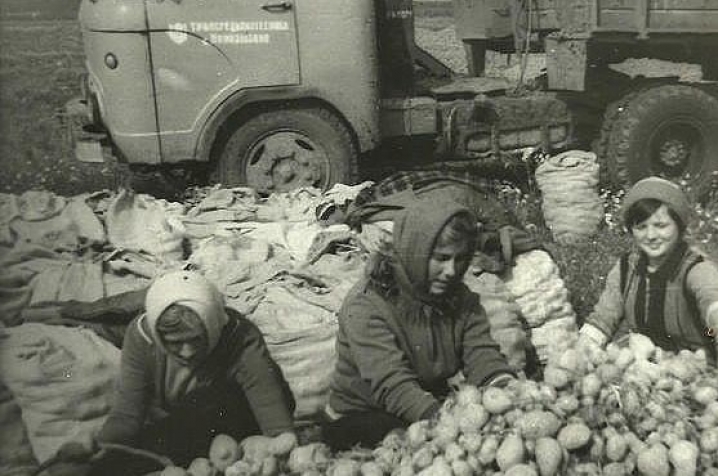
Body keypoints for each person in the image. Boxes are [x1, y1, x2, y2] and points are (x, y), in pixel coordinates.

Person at [51, 271, 295, 474]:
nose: (187, 352)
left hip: (234, 410)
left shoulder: (238, 334)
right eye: (175, 343)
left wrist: (282, 448)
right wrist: (101, 450)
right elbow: (127, 414)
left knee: (199, 409)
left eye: (195, 340)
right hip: (183, 420)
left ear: (212, 324)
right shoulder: (141, 338)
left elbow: (269, 405)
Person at [322, 197, 517, 451]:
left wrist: (507, 395)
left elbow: (482, 355)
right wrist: (446, 423)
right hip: (362, 416)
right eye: (441, 258)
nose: (451, 270)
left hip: (422, 408)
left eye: (460, 259)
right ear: (415, 250)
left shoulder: (461, 299)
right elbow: (392, 385)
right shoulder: (367, 304)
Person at [578, 177, 718, 367]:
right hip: (644, 367)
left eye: (661, 226)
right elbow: (603, 319)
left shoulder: (695, 268)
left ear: (679, 227)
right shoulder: (626, 269)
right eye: (641, 227)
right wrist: (581, 349)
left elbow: (714, 301)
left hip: (696, 369)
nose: (651, 236)